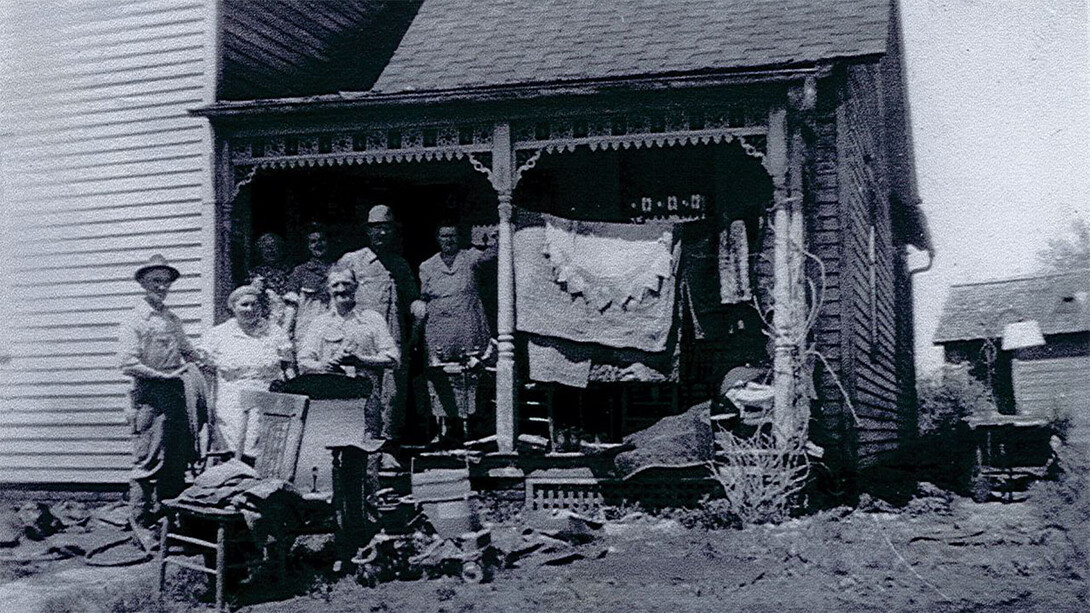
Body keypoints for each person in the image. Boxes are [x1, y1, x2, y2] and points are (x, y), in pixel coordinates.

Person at [118, 255, 202, 549]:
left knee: (176, 460)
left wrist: (204, 359)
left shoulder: (170, 318)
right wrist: (160, 376)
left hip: (175, 394)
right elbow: (127, 363)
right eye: (156, 281)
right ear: (143, 283)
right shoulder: (135, 319)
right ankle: (140, 525)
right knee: (148, 461)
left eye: (166, 281)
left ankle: (169, 522)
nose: (162, 287)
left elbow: (188, 350)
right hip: (149, 395)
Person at [336, 205, 420, 442]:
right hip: (361, 335)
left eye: (386, 229)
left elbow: (411, 297)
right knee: (363, 388)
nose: (382, 234)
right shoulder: (351, 260)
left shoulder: (400, 264)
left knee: (392, 392)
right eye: (376, 229)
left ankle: (387, 445)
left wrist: (419, 307)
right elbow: (334, 293)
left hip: (392, 335)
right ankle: (363, 442)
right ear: (368, 231)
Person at [412, 223, 497, 443]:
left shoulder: (470, 258)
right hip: (439, 327)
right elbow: (424, 297)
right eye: (444, 236)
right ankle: (444, 430)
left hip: (468, 323)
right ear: (437, 238)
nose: (448, 240)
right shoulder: (427, 265)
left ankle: (471, 429)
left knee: (470, 374)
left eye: (452, 235)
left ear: (458, 238)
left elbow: (493, 253)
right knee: (439, 377)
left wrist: (492, 237)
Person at [298, 265, 400, 439]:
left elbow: (393, 358)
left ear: (356, 286)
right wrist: (323, 365)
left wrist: (361, 360)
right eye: (335, 285)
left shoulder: (372, 319)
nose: (341, 289)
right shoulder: (319, 323)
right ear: (328, 289)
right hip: (329, 400)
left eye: (346, 283)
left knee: (365, 451)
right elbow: (304, 360)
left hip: (365, 400)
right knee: (329, 451)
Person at [199, 284, 294, 457]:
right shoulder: (218, 334)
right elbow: (205, 371)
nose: (250, 309)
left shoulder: (274, 332)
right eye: (244, 305)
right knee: (235, 450)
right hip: (231, 400)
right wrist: (208, 406)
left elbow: (288, 367)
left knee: (261, 449)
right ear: (233, 307)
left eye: (254, 304)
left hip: (266, 397)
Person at [286, 223, 332, 343]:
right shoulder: (300, 271)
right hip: (308, 327)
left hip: (333, 325)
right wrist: (286, 333)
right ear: (308, 246)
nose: (318, 244)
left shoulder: (339, 268)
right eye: (313, 241)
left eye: (322, 240)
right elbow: (291, 305)